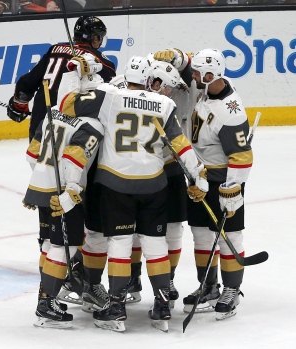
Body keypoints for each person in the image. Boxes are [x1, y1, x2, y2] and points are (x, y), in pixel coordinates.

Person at [63, 55, 208, 332]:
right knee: (155, 244)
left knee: (120, 242)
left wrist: (79, 73)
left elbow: (67, 105)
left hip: (115, 184)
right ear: (148, 79)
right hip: (154, 184)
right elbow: (180, 144)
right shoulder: (164, 103)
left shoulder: (108, 96)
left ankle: (116, 307)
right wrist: (198, 175)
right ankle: (163, 305)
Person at [9, 16, 116, 306]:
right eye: (98, 37)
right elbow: (109, 73)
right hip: (72, 134)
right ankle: (70, 270)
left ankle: (52, 264)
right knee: (73, 197)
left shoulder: (55, 49)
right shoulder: (93, 59)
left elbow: (27, 83)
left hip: (43, 131)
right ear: (92, 37)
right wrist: (94, 62)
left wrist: (19, 104)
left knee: (48, 201)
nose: (99, 42)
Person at [157, 48, 252, 320]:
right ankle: (209, 286)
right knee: (200, 232)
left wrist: (233, 190)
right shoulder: (204, 89)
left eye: (199, 73)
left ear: (212, 75)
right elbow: (187, 68)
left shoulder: (230, 111)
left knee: (229, 236)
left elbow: (243, 156)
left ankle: (232, 289)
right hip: (198, 176)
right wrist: (179, 57)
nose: (194, 77)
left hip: (224, 181)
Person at [23, 59, 105, 328]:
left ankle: (50, 295)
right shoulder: (92, 126)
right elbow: (74, 161)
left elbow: (31, 155)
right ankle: (46, 302)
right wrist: (70, 191)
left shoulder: (52, 113)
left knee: (49, 244)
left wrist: (45, 178)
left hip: (40, 187)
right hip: (63, 194)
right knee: (63, 247)